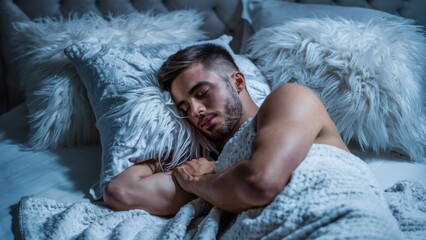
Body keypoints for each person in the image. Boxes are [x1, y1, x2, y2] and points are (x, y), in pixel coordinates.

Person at [102, 43, 350, 215]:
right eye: (184, 107)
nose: (195, 111)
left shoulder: (289, 98)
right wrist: (168, 156)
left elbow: (259, 184)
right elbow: (120, 192)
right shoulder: (213, 168)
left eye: (202, 93)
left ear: (238, 81)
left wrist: (199, 183)